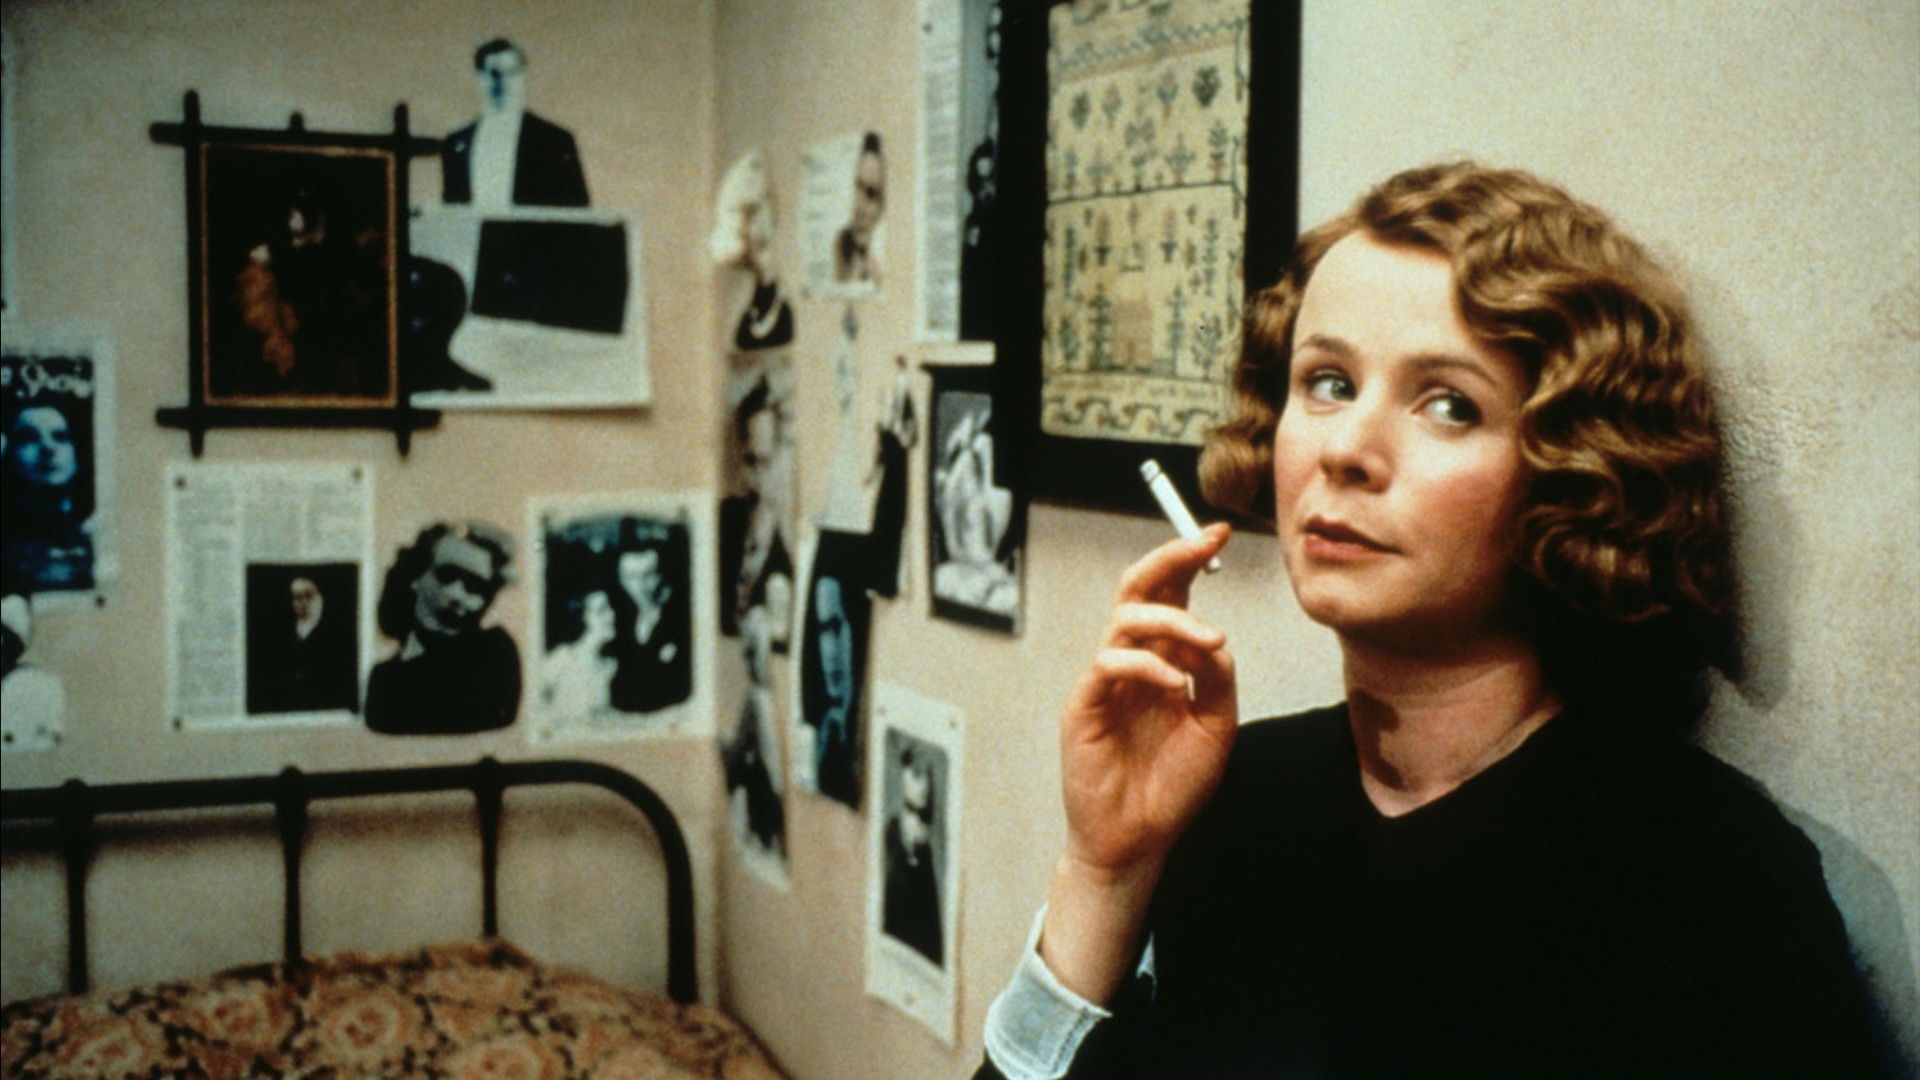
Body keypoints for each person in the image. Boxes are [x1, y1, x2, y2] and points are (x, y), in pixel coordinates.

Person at [978, 162, 1881, 1078]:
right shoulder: (1234, 795)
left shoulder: (1703, 879)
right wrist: (1105, 872)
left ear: (1571, 466)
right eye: (1327, 382)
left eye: (1449, 405)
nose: (1346, 449)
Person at [365, 521, 521, 735]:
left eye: (474, 586)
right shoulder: (384, 678)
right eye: (447, 575)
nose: (457, 594)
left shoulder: (494, 658)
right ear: (417, 576)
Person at [441, 38, 589, 209]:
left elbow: (577, 212)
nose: (503, 82)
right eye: (494, 73)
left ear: (523, 76)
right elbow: (452, 212)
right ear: (480, 78)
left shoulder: (555, 140)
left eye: (512, 73)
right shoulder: (456, 143)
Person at [1, 402, 94, 591]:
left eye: (60, 437)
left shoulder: (94, 537)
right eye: (29, 438)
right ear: (8, 453)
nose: (48, 447)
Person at [248, 572, 358, 714]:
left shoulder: (337, 635)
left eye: (309, 595)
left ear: (321, 598)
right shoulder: (282, 634)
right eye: (297, 597)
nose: (304, 602)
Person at [607, 534, 692, 714]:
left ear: (662, 574)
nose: (639, 587)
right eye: (630, 577)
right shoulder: (618, 621)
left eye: (647, 575)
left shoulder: (683, 620)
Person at [803, 570, 864, 805]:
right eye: (823, 631)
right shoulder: (821, 734)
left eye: (837, 627)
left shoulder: (862, 722)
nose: (830, 650)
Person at [883, 741, 944, 966]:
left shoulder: (931, 840)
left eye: (928, 776)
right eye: (917, 775)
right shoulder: (892, 831)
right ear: (903, 775)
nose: (925, 785)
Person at [535, 586, 617, 719]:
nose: (612, 615)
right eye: (601, 610)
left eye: (610, 608)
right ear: (583, 617)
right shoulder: (562, 658)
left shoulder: (610, 666)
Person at [833, 131, 885, 284]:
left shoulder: (877, 271)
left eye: (871, 194)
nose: (859, 206)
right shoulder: (840, 247)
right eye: (857, 187)